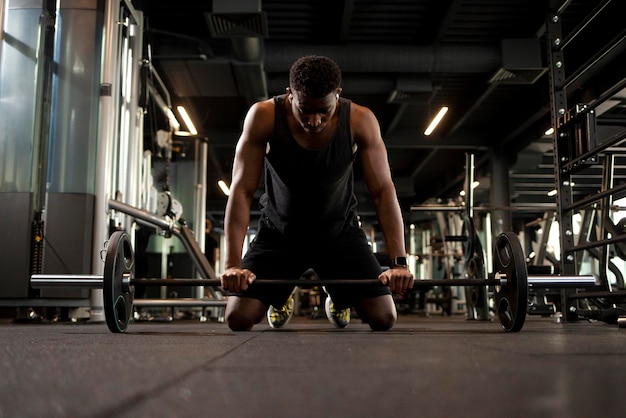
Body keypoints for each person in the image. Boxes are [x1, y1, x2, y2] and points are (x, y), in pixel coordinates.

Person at [220, 55, 414, 331]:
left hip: (339, 232)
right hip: (279, 234)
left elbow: (383, 192)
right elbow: (241, 190)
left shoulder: (360, 120)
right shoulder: (263, 116)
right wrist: (232, 265)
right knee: (237, 318)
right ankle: (280, 295)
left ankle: (337, 298)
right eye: (305, 110)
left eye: (324, 110)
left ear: (338, 94)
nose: (314, 120)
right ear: (290, 95)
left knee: (384, 318)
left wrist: (399, 263)